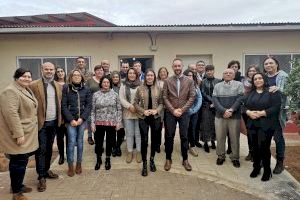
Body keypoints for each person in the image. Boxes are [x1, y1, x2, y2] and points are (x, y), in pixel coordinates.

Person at [0, 68, 38, 200]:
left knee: (21, 160)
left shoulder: (24, 89)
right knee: (18, 161)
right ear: (16, 77)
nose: (27, 78)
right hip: (19, 133)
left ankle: (18, 185)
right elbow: (11, 114)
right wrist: (18, 134)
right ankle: (17, 193)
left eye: (29, 76)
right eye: (24, 76)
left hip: (26, 132)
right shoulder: (10, 91)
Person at [30, 62, 62, 192]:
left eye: (51, 69)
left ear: (54, 71)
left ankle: (46, 170)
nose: (49, 71)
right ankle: (41, 176)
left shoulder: (57, 86)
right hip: (41, 123)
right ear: (42, 70)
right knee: (41, 149)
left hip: (53, 122)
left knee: (49, 148)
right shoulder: (33, 85)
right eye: (46, 69)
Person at [243, 73, 281, 181]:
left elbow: (276, 107)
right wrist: (248, 112)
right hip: (252, 124)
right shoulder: (250, 93)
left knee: (264, 148)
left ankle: (267, 171)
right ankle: (256, 167)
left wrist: (262, 113)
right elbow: (243, 106)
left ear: (264, 79)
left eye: (260, 78)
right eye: (255, 79)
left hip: (266, 125)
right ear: (253, 81)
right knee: (255, 148)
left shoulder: (272, 92)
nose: (258, 80)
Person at [163, 58, 196, 171]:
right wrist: (173, 110)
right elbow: (165, 97)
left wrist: (182, 110)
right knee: (169, 136)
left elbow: (192, 97)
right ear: (172, 67)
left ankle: (185, 159)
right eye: (175, 66)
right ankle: (168, 158)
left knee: (184, 136)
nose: (177, 68)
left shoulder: (189, 81)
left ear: (182, 67)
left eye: (179, 66)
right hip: (170, 113)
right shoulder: (167, 81)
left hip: (184, 113)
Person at [61, 69, 92, 177]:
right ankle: (70, 165)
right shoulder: (66, 88)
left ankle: (79, 163)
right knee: (71, 143)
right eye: (74, 75)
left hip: (81, 120)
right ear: (71, 77)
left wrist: (82, 119)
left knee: (80, 142)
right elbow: (64, 106)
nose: (77, 77)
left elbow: (88, 106)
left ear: (82, 77)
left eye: (78, 75)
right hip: (71, 121)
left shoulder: (86, 89)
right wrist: (71, 120)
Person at [134, 69, 163, 176]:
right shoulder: (140, 88)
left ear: (154, 77)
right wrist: (143, 111)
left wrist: (157, 110)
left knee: (154, 140)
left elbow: (161, 103)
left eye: (152, 75)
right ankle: (144, 163)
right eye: (148, 75)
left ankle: (152, 160)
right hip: (143, 118)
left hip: (155, 118)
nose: (150, 77)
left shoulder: (159, 88)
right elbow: (135, 103)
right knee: (144, 140)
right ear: (145, 77)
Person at [212, 68, 244, 168]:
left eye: (230, 73)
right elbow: (215, 100)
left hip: (234, 116)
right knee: (220, 137)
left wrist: (231, 110)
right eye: (226, 73)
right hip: (220, 116)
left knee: (234, 138)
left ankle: (235, 158)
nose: (228, 74)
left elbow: (240, 99)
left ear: (234, 75)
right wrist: (224, 111)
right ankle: (221, 156)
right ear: (223, 75)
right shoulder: (217, 86)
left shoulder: (239, 85)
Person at [91, 76, 122, 170]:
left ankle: (108, 159)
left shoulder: (115, 94)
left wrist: (118, 122)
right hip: (98, 123)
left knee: (110, 142)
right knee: (98, 143)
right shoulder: (96, 95)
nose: (106, 84)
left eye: (108, 82)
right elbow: (92, 110)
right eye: (104, 82)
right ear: (101, 83)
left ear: (110, 83)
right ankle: (98, 159)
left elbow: (119, 109)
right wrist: (92, 123)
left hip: (111, 123)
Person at [263, 56, 288, 174]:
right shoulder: (263, 77)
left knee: (278, 138)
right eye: (266, 64)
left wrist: (279, 88)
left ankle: (280, 162)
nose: (268, 65)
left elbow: (289, 92)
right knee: (264, 138)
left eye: (271, 63)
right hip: (265, 112)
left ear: (276, 64)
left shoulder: (282, 76)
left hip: (277, 113)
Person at [119, 68, 142, 163]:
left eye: (133, 73)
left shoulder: (141, 85)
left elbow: (143, 98)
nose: (132, 75)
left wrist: (137, 107)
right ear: (127, 75)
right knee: (129, 133)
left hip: (139, 113)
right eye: (130, 73)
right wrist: (129, 106)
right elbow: (121, 98)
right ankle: (129, 152)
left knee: (138, 134)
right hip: (127, 113)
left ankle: (139, 152)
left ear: (136, 74)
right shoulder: (123, 85)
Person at [199, 65, 221, 153]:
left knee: (215, 124)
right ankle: (205, 143)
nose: (209, 72)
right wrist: (212, 101)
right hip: (206, 105)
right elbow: (203, 93)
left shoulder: (219, 81)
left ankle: (213, 141)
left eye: (211, 70)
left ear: (213, 71)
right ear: (205, 71)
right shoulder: (203, 82)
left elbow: (220, 93)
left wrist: (215, 103)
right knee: (205, 124)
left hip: (217, 106)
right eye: (207, 71)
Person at [242, 65, 260, 161]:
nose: (252, 72)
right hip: (246, 110)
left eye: (254, 70)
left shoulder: (259, 81)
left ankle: (257, 153)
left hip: (257, 110)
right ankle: (251, 152)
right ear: (247, 72)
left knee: (257, 132)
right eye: (250, 70)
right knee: (249, 132)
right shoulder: (243, 81)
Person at [183, 69, 202, 157]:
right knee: (185, 129)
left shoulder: (196, 86)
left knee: (192, 129)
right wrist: (185, 109)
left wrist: (194, 110)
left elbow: (199, 99)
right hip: (184, 111)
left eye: (190, 75)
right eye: (187, 75)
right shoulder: (181, 86)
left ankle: (192, 146)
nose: (189, 77)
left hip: (194, 112)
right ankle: (185, 146)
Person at [85, 65, 104, 145]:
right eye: (98, 70)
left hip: (102, 105)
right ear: (95, 71)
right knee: (90, 121)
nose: (99, 72)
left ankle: (99, 139)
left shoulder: (104, 80)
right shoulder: (89, 81)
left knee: (99, 123)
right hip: (91, 104)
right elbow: (85, 92)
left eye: (101, 70)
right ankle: (89, 136)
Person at [54, 66, 68, 165]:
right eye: (58, 71)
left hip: (67, 114)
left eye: (62, 71)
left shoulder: (69, 84)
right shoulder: (54, 84)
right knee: (59, 137)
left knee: (69, 136)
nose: (60, 73)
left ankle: (68, 154)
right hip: (57, 114)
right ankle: (61, 155)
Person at [111, 71, 125, 157]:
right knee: (112, 131)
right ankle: (113, 147)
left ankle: (118, 146)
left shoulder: (123, 86)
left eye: (117, 77)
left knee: (120, 131)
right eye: (114, 77)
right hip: (112, 112)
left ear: (119, 78)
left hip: (122, 111)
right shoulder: (108, 86)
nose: (115, 78)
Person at [156, 66, 169, 153]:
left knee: (168, 128)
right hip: (159, 109)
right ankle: (157, 144)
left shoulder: (170, 81)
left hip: (169, 109)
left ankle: (167, 144)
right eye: (161, 72)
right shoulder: (156, 83)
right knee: (158, 128)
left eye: (164, 72)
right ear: (159, 73)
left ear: (167, 73)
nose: (162, 73)